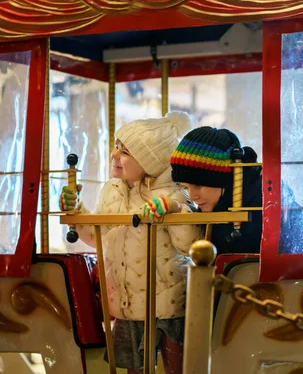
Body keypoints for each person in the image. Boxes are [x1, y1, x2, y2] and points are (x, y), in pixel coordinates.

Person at [60, 112, 202, 374]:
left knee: (177, 366)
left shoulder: (174, 192)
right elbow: (99, 236)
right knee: (131, 367)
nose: (114, 155)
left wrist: (173, 210)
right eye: (116, 146)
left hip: (169, 303)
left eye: (125, 152)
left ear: (150, 160)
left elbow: (189, 245)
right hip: (127, 303)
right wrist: (77, 212)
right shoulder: (111, 191)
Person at [167, 126, 303, 255]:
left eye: (198, 185)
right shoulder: (220, 201)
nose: (193, 196)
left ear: (222, 178)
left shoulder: (264, 200)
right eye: (186, 187)